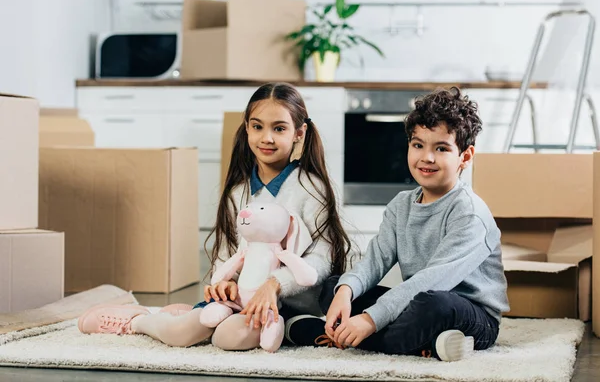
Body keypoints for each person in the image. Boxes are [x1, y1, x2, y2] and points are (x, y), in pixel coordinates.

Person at [77, 82, 352, 350]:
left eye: (279, 128)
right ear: (246, 128)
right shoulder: (238, 192)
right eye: (257, 127)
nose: (266, 138)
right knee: (183, 334)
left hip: (291, 307)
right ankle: (138, 321)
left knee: (227, 339)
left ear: (298, 133)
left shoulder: (312, 188)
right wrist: (224, 284)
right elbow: (227, 254)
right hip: (239, 302)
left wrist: (275, 284)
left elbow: (322, 260)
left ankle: (184, 315)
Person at [288, 86, 509, 361]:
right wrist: (346, 292)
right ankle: (428, 344)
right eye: (418, 145)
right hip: (416, 301)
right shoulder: (401, 205)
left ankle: (322, 334)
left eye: (441, 148)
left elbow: (432, 282)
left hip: (470, 314)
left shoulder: (470, 214)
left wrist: (369, 320)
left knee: (432, 304)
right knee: (333, 288)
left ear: (464, 156)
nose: (426, 158)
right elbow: (375, 261)